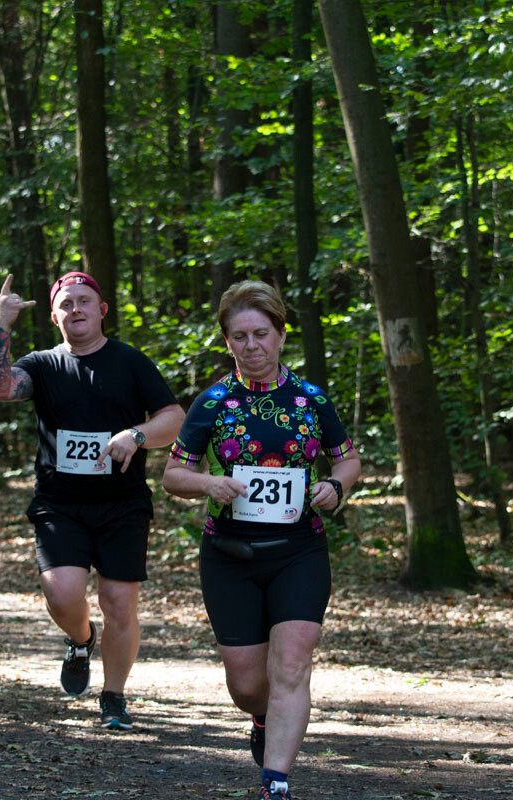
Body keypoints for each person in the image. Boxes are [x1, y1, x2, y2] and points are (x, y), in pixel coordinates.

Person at [162, 280, 360, 800]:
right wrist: (209, 483)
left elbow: (347, 457)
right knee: (248, 684)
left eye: (261, 334)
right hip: (230, 554)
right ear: (226, 341)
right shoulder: (213, 402)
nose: (251, 346)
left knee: (292, 663)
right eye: (239, 337)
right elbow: (172, 476)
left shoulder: (311, 399)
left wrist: (336, 486)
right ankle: (259, 715)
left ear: (280, 334)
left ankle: (276, 781)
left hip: (300, 551)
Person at [0, 271, 184, 731]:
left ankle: (114, 698)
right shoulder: (43, 365)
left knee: (118, 602)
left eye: (84, 301)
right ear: (55, 316)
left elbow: (174, 418)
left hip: (123, 503)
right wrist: (1, 321)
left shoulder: (130, 362)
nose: (76, 309)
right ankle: (80, 639)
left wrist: (136, 435)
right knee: (62, 592)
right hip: (60, 504)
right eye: (66, 303)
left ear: (101, 309)